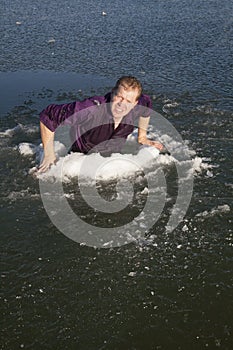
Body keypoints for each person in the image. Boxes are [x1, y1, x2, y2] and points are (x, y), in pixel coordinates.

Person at [38, 76, 164, 173]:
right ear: (113, 93)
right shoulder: (90, 109)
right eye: (119, 97)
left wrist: (142, 137)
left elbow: (147, 105)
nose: (121, 104)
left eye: (128, 101)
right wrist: (49, 155)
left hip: (110, 161)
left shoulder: (138, 105)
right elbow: (49, 115)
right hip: (81, 159)